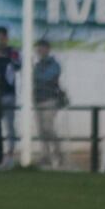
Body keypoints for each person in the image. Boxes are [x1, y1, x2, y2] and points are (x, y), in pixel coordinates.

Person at [33, 39, 67, 168]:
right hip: (38, 99)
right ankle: (45, 156)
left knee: (48, 127)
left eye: (41, 48)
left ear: (47, 49)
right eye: (38, 48)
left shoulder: (54, 64)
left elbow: (47, 77)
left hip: (50, 99)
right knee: (41, 130)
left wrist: (34, 73)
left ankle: (58, 153)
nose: (39, 51)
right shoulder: (37, 65)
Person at [0, 25, 21, 164]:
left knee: (9, 125)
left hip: (9, 94)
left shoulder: (12, 52)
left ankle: (11, 153)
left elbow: (18, 65)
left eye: (2, 37)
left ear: (6, 38)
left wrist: (6, 57)